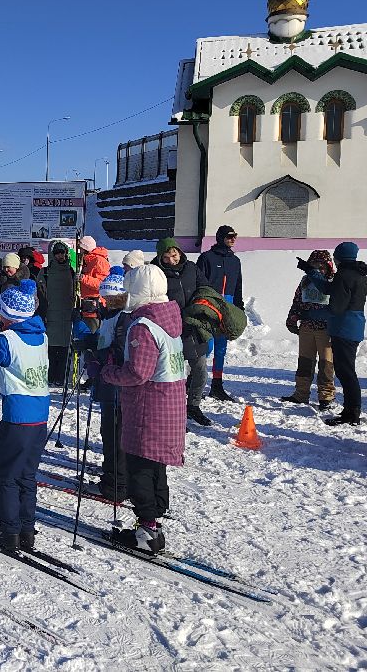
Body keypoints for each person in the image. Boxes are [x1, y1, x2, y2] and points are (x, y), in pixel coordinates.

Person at [99, 265, 186, 554]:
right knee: (154, 466)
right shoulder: (169, 320)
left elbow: (137, 372)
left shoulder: (143, 326)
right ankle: (152, 524)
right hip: (170, 403)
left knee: (139, 467)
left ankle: (146, 531)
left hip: (148, 407)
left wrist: (106, 371)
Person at [0, 279, 49, 549]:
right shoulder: (41, 334)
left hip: (18, 416)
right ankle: (26, 528)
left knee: (6, 475)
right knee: (26, 474)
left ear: (7, 315)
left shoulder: (8, 339)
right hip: (40, 415)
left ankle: (10, 531)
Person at [300, 242, 367, 426]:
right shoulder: (355, 274)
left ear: (340, 257)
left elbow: (335, 308)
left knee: (346, 372)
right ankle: (350, 411)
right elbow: (328, 289)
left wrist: (311, 314)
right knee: (345, 371)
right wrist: (311, 271)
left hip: (345, 329)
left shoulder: (345, 275)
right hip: (351, 327)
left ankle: (352, 413)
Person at [151, 238, 211, 426]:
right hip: (170, 328)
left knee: (200, 368)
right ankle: (172, 410)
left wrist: (200, 308)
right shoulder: (155, 272)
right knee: (173, 372)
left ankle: (193, 405)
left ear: (179, 252)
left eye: (174, 254)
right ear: (160, 257)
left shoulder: (192, 268)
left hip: (193, 326)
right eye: (167, 257)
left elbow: (205, 288)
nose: (172, 259)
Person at [89, 268, 130, 501]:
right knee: (108, 432)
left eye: (113, 298)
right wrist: (89, 343)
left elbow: (120, 351)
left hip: (116, 386)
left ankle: (117, 484)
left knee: (116, 435)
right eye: (106, 297)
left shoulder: (124, 318)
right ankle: (112, 477)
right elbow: (104, 340)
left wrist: (99, 357)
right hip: (106, 384)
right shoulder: (110, 316)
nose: (108, 301)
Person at [282, 250, 336, 410]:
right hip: (306, 327)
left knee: (326, 364)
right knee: (305, 362)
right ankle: (301, 394)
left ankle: (326, 396)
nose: (319, 269)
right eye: (314, 265)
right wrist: (292, 318)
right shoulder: (305, 280)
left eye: (322, 266)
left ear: (328, 267)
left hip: (326, 330)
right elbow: (297, 300)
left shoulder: (332, 282)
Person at [196, 225, 245, 401]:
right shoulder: (206, 258)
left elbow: (238, 285)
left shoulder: (235, 261)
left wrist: (239, 308)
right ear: (220, 237)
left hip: (228, 306)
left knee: (221, 348)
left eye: (235, 236)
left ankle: (217, 385)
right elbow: (198, 283)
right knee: (205, 346)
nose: (233, 239)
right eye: (229, 236)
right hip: (209, 305)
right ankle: (193, 380)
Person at [36, 240, 76, 386]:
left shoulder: (72, 272)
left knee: (65, 348)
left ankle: (60, 377)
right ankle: (51, 376)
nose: (60, 256)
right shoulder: (45, 272)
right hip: (51, 314)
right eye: (57, 253)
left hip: (66, 315)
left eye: (62, 253)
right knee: (51, 348)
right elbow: (39, 293)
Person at [77, 235, 110, 335]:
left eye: (81, 248)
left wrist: (83, 278)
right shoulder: (87, 260)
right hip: (86, 305)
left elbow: (102, 284)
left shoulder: (99, 261)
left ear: (86, 248)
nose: (79, 251)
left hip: (95, 307)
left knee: (93, 335)